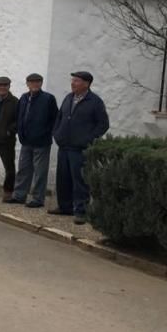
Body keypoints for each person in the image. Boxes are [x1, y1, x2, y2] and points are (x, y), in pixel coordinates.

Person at [50, 71, 109, 224]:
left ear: (86, 84)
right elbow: (59, 117)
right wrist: (57, 133)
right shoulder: (68, 98)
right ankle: (65, 207)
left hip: (80, 148)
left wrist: (88, 139)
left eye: (76, 81)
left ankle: (81, 211)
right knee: (63, 178)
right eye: (73, 80)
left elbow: (103, 124)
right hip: (64, 145)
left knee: (79, 180)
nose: (73, 83)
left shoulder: (94, 101)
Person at [3, 73, 58, 207]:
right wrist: (20, 132)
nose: (35, 84)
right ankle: (19, 195)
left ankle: (38, 199)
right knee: (23, 170)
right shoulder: (24, 98)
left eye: (38, 82)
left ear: (41, 83)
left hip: (41, 142)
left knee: (40, 172)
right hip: (26, 141)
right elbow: (19, 116)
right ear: (27, 84)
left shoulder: (48, 99)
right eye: (32, 82)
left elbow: (55, 119)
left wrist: (46, 133)